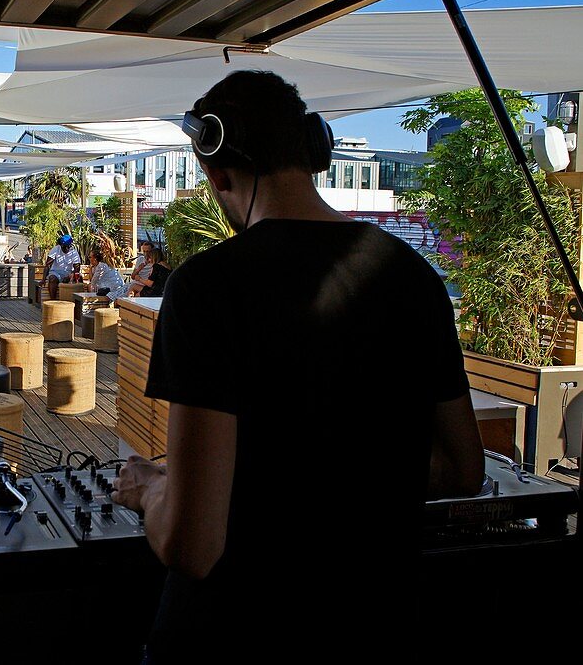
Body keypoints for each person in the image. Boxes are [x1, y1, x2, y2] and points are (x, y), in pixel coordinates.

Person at [111, 70, 484, 658]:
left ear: (214, 166)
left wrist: (149, 490)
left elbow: (192, 546)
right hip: (378, 629)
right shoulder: (412, 276)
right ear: (313, 151)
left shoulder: (207, 288)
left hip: (236, 642)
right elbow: (464, 469)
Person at [40, 234, 83, 300]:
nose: (66, 249)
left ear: (70, 245)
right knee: (52, 279)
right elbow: (47, 265)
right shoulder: (56, 249)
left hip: (68, 273)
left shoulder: (74, 252)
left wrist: (69, 276)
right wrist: (43, 280)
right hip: (55, 273)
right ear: (61, 245)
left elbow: (77, 268)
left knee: (80, 279)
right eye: (64, 247)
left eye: (67, 247)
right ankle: (53, 301)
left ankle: (75, 303)